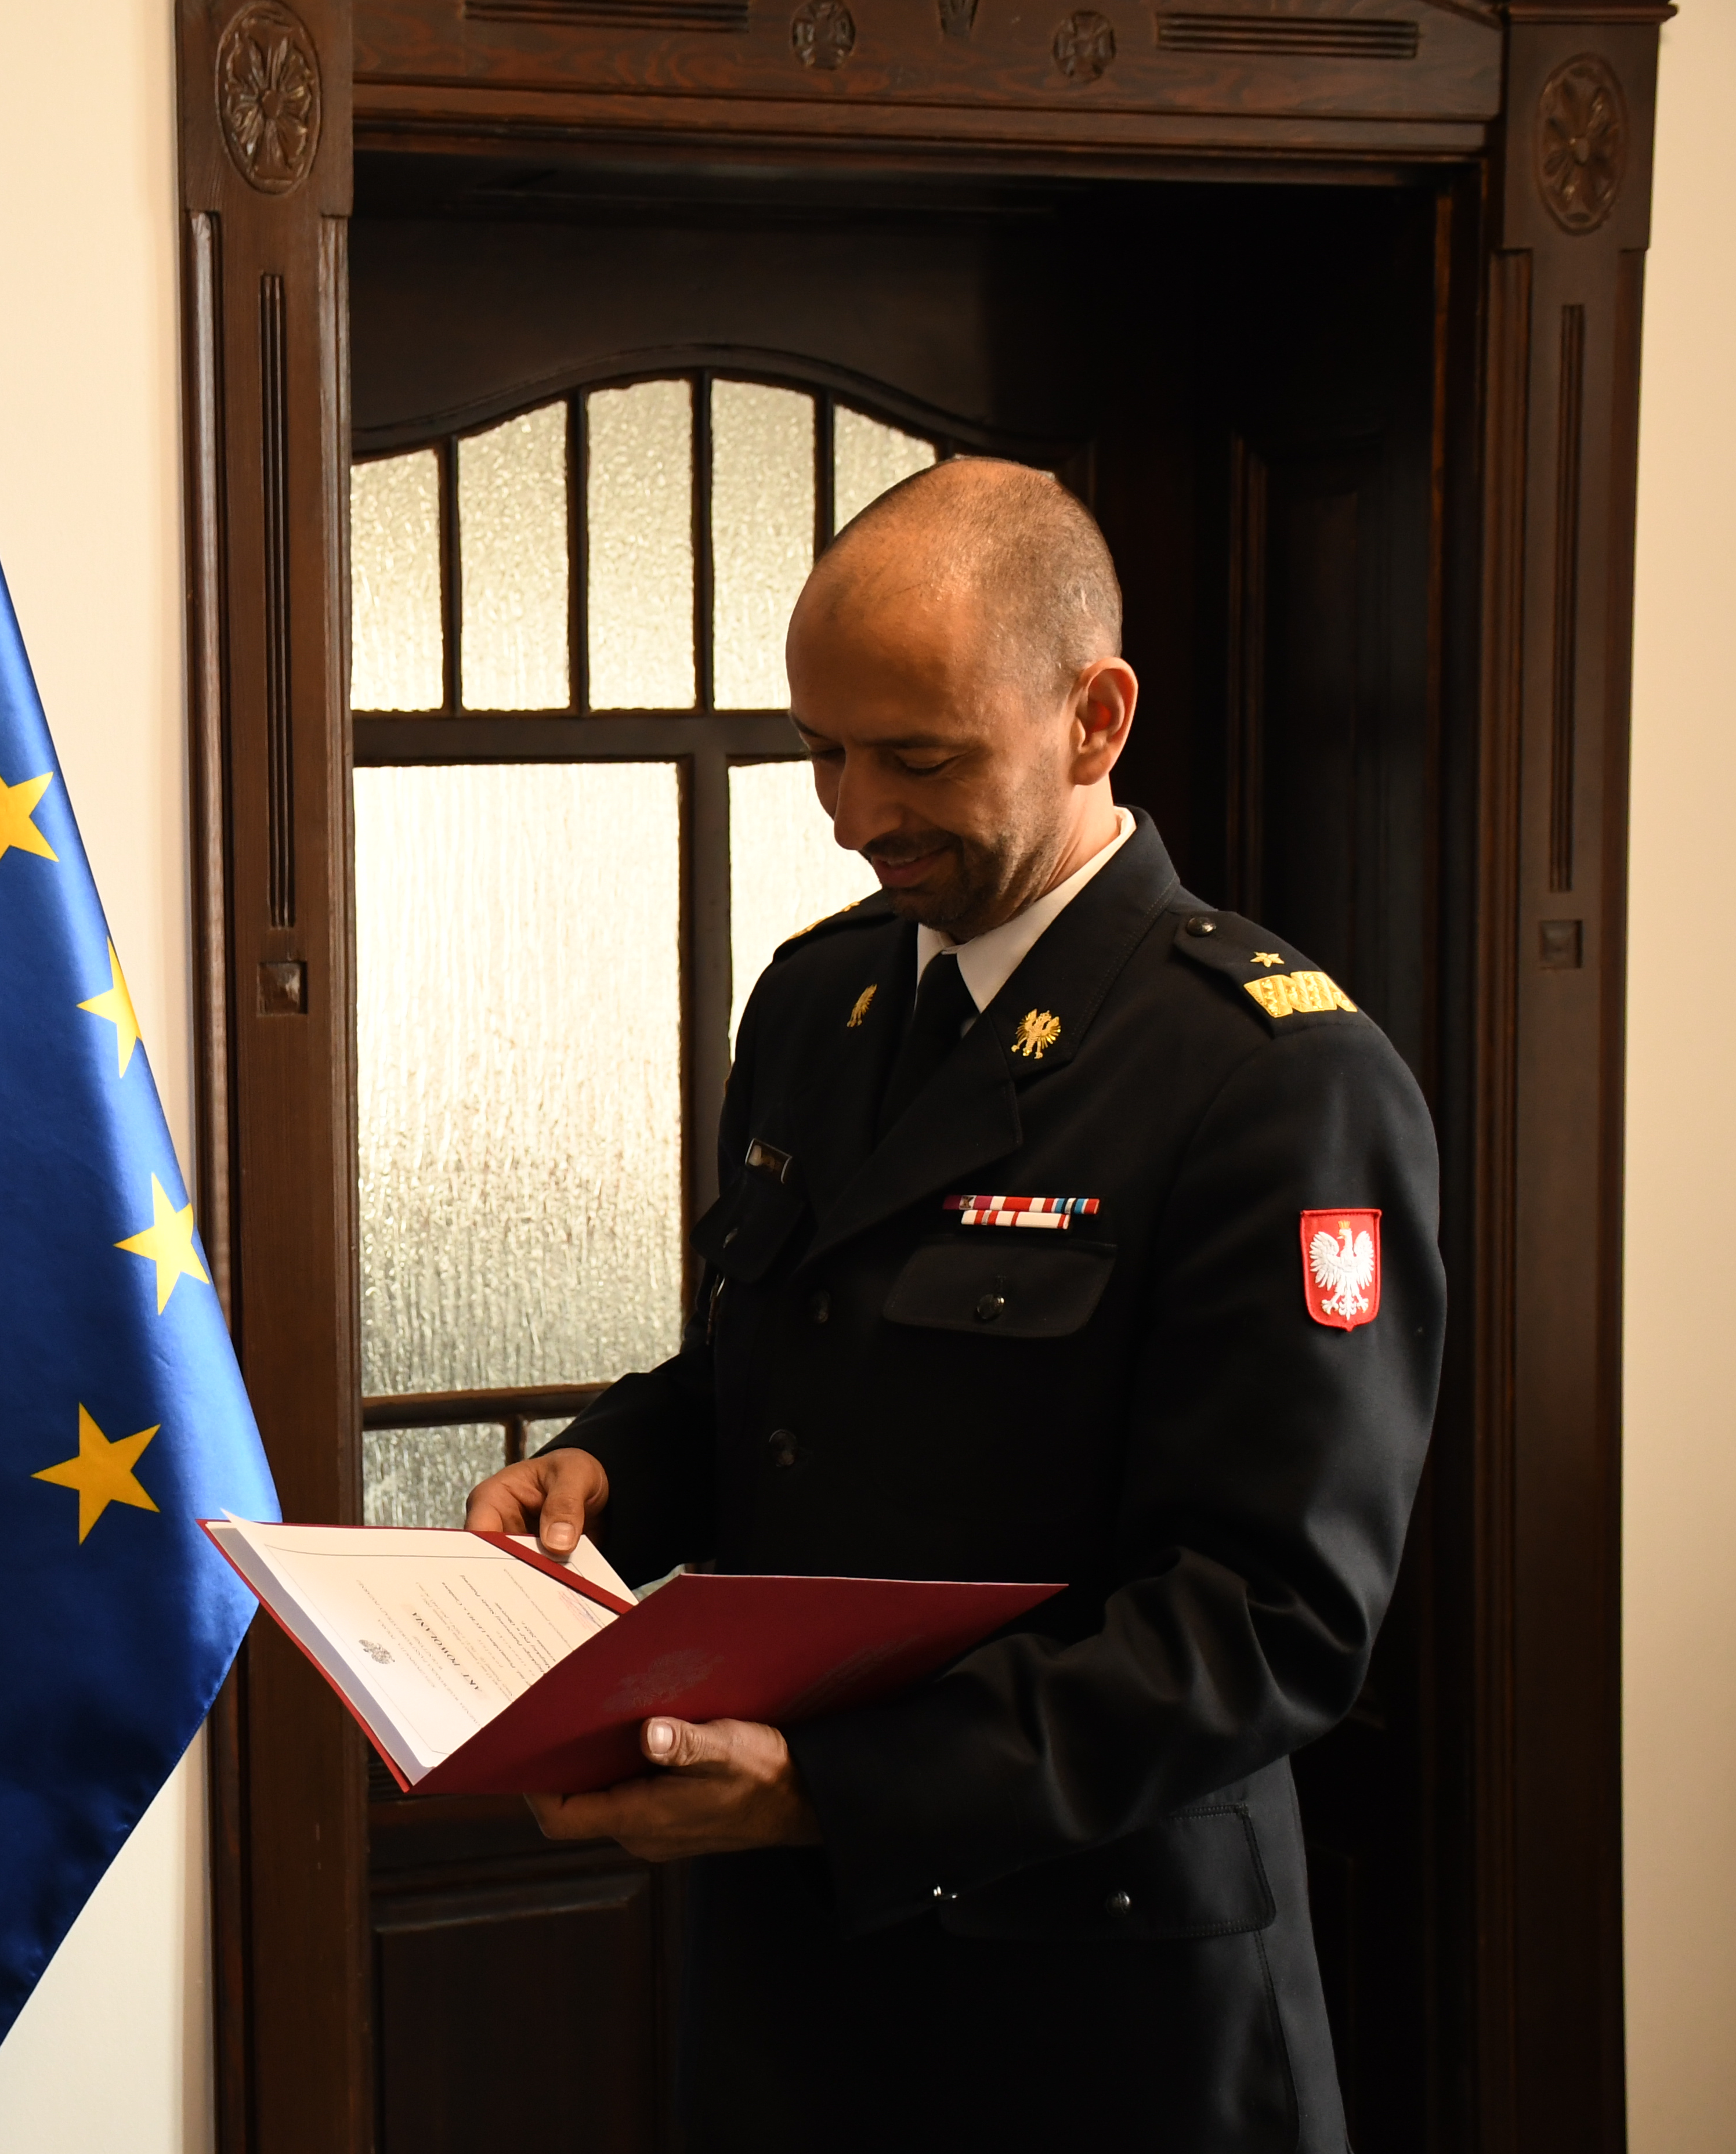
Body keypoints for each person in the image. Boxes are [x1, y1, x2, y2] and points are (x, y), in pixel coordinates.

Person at [468, 458, 1441, 2152]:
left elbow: (1271, 1618)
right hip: (799, 1982)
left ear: (1095, 718)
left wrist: (830, 1792)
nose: (854, 815)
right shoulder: (820, 999)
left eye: (917, 759)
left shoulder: (1272, 1077)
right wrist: (611, 1468)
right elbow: (777, 1371)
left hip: (1103, 1998)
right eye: (824, 752)